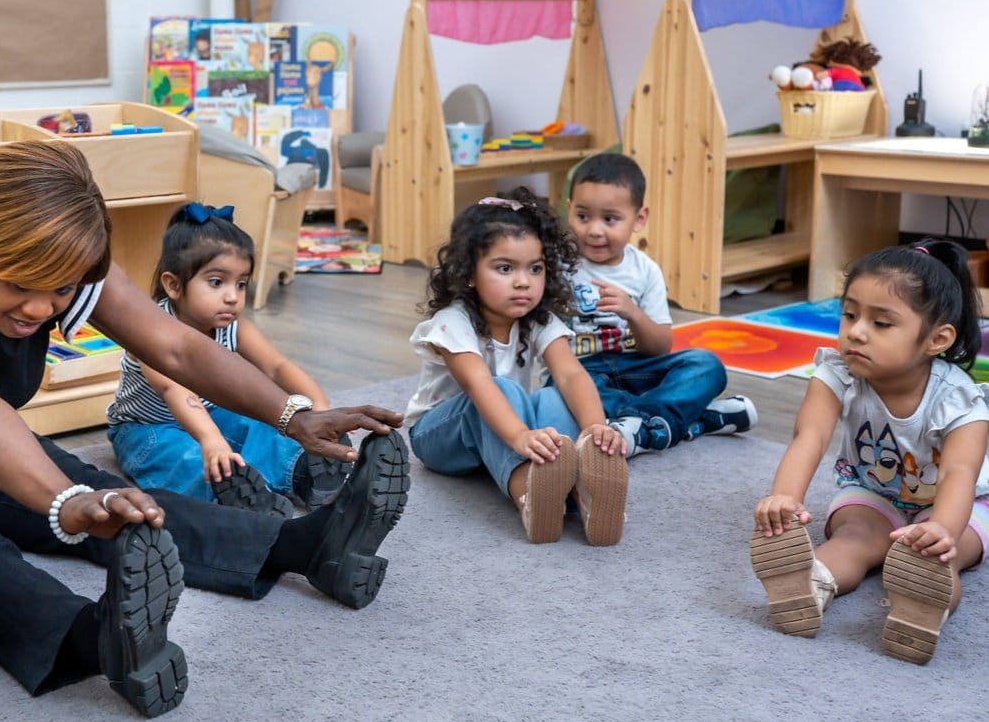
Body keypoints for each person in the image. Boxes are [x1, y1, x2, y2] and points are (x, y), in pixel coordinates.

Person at [0, 140, 410, 718]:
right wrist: (64, 504)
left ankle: (301, 546)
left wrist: (294, 414)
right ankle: (91, 639)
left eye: (58, 291)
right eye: (20, 288)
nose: (39, 308)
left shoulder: (63, 260)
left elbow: (178, 348)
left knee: (119, 501)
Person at [750, 241, 989, 663]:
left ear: (937, 338)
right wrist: (786, 497)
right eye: (849, 315)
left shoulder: (960, 399)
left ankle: (921, 606)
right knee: (854, 537)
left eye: (881, 323)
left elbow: (959, 474)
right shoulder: (836, 374)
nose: (857, 331)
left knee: (939, 556)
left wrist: (943, 530)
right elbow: (809, 436)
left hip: (962, 504)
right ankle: (810, 583)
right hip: (874, 491)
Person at [404, 190, 628, 545]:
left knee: (556, 396)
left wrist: (595, 429)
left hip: (508, 426)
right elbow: (479, 385)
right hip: (441, 438)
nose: (523, 281)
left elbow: (571, 375)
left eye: (535, 268)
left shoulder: (538, 321)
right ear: (468, 274)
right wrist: (520, 437)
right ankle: (529, 492)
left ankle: (581, 489)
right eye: (505, 268)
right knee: (502, 388)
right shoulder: (452, 323)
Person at [106, 202, 347, 515]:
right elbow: (174, 390)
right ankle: (228, 499)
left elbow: (277, 366)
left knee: (258, 425)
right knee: (186, 458)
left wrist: (320, 410)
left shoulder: (234, 327)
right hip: (145, 429)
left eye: (241, 283)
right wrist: (211, 440)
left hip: (212, 413)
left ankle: (305, 472)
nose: (233, 296)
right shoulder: (150, 330)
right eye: (217, 282)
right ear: (174, 285)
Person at [564, 153, 756, 455]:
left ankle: (638, 424)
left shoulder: (645, 270)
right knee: (556, 394)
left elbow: (659, 347)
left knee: (706, 365)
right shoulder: (558, 265)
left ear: (639, 219)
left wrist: (632, 313)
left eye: (610, 219)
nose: (595, 230)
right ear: (569, 209)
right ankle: (695, 419)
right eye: (583, 216)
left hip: (637, 368)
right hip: (578, 372)